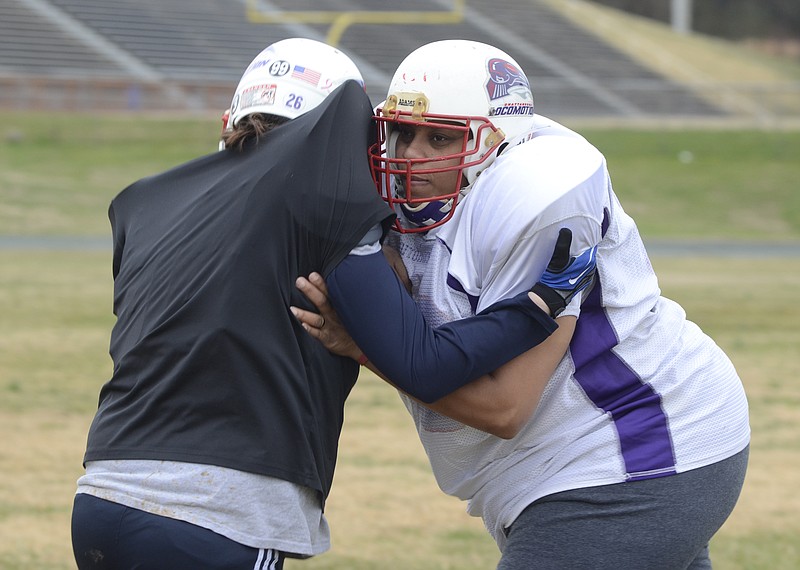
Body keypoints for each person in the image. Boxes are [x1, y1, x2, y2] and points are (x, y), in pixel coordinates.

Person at [70, 38, 596, 569]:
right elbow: (427, 365)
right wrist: (535, 307)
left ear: (233, 116)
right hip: (218, 508)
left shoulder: (145, 201)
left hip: (101, 490)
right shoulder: (324, 200)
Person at [292, 39, 750, 569]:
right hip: (567, 462)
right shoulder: (397, 195)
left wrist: (365, 347)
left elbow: (504, 407)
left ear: (496, 144)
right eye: (400, 131)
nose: (408, 154)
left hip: (634, 449)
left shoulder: (537, 198)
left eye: (440, 137)